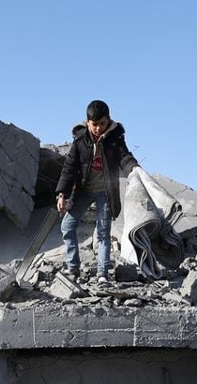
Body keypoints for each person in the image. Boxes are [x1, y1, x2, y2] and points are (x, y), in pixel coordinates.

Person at [55, 100, 139, 283]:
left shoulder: (116, 137)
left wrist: (134, 168)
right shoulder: (80, 139)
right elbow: (69, 167)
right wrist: (62, 194)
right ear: (87, 122)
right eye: (95, 124)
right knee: (67, 226)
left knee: (103, 233)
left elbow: (124, 157)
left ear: (108, 120)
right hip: (83, 190)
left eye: (103, 123)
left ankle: (102, 274)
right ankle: (73, 270)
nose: (99, 128)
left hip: (106, 192)